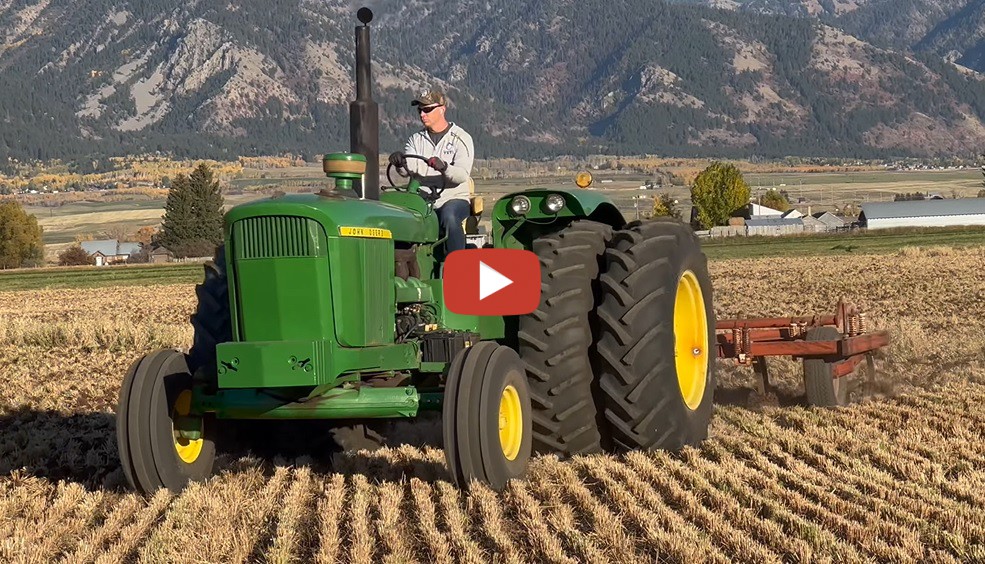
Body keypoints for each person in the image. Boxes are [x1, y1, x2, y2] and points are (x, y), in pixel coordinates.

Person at [389, 87, 474, 254]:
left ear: (442, 109)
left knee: (449, 217)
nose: (422, 114)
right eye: (420, 110)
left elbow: (462, 175)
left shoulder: (461, 138)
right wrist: (400, 164)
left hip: (452, 198)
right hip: (421, 199)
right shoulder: (415, 139)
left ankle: (455, 265)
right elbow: (410, 170)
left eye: (427, 109)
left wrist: (445, 167)